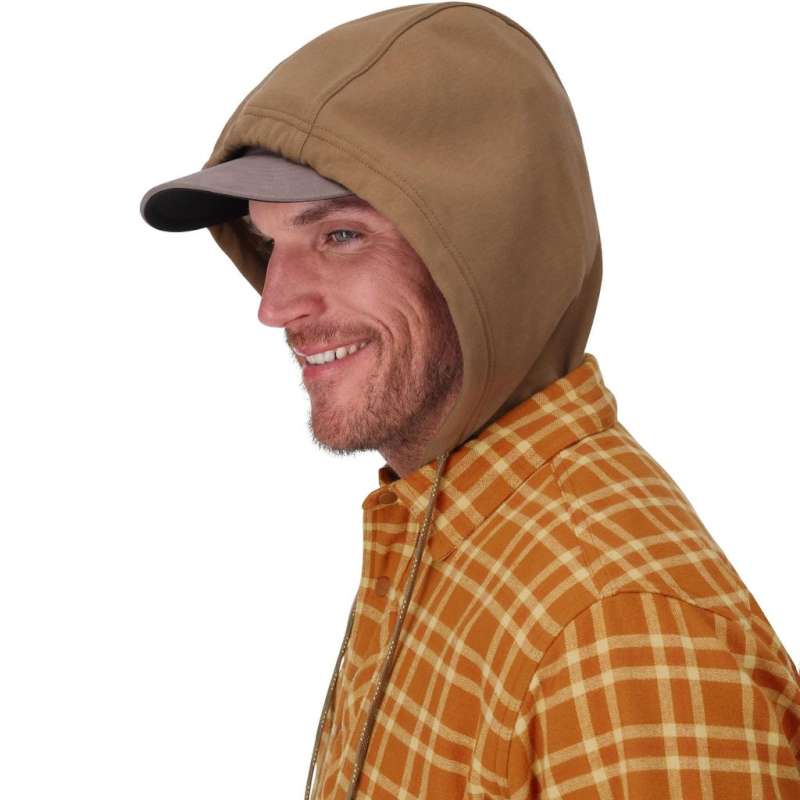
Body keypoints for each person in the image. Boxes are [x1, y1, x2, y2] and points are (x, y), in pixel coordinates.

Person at [140, 2, 800, 798]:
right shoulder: (446, 526)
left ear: (488, 253)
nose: (275, 306)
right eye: (268, 242)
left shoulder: (612, 624)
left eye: (340, 236)